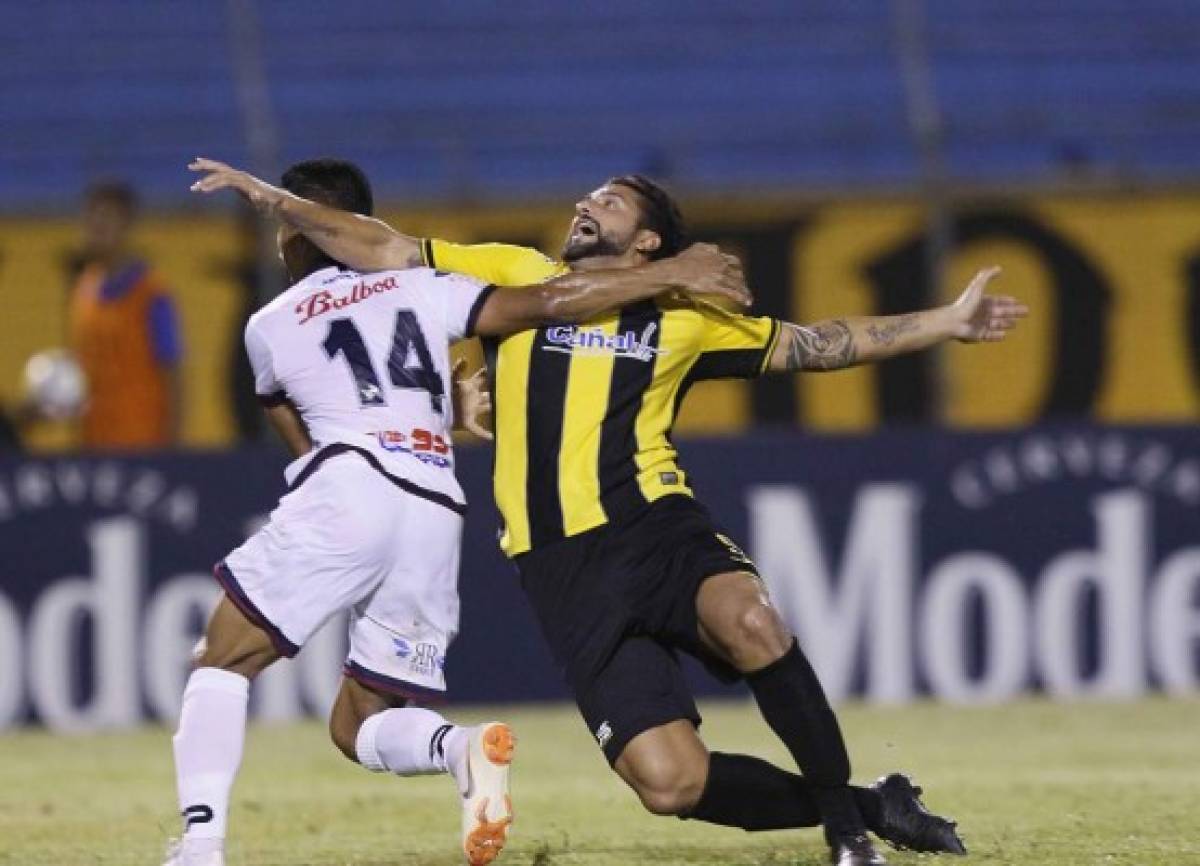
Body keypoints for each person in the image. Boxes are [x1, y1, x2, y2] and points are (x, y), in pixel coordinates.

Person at [190, 158, 1028, 865]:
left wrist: (945, 323)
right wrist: (278, 201)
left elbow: (823, 343)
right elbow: (382, 244)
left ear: (651, 239)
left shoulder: (685, 321)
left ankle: (847, 841)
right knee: (670, 784)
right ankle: (871, 804)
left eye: (611, 201)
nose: (586, 205)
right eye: (587, 198)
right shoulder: (517, 274)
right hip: (561, 568)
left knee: (752, 623)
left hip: (657, 524)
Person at [167, 158, 747, 866]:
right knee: (359, 723)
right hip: (435, 504)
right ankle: (459, 749)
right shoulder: (424, 286)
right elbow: (549, 302)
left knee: (219, 663)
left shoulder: (268, 324)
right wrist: (669, 274)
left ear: (293, 234)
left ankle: (199, 846)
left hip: (350, 486)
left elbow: (310, 441)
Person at [66, 181, 183, 449]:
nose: (97, 227)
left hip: (143, 441)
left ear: (127, 224)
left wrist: (173, 446)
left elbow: (173, 373)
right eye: (91, 217)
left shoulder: (152, 293)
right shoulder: (82, 290)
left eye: (107, 218)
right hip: (93, 442)